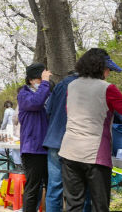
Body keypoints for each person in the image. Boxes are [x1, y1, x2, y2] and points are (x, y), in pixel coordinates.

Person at [60, 48, 122, 212]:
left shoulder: (72, 85)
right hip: (94, 154)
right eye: (108, 69)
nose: (109, 73)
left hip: (69, 152)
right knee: (100, 205)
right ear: (100, 68)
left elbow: (69, 112)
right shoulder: (107, 88)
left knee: (73, 205)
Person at [42, 70, 94, 212]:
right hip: (76, 143)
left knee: (54, 187)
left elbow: (48, 110)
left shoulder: (60, 86)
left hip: (54, 141)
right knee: (82, 188)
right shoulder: (88, 86)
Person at [17, 63, 53, 212]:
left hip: (48, 147)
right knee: (33, 187)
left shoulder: (48, 94)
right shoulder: (24, 95)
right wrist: (45, 83)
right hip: (33, 149)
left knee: (51, 185)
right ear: (31, 80)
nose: (43, 82)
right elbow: (36, 103)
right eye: (40, 79)